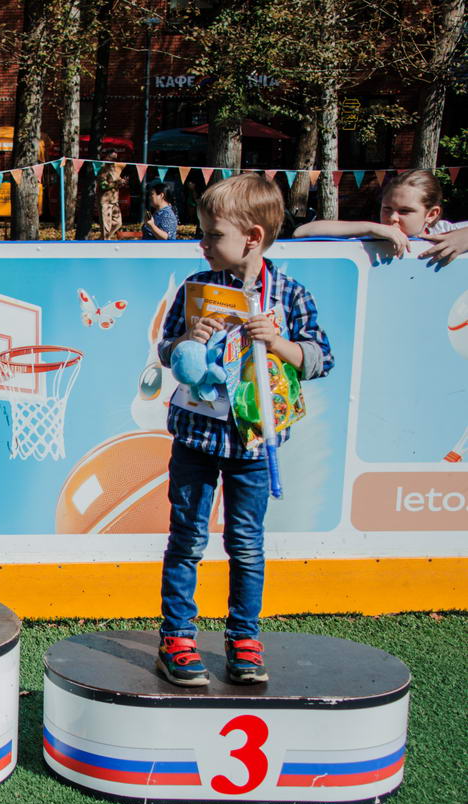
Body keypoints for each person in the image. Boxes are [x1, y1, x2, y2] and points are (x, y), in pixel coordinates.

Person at [155, 173, 333, 687]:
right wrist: (187, 339)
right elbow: (166, 352)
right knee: (187, 539)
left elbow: (320, 359)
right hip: (196, 437)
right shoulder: (196, 288)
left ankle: (244, 639)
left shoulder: (290, 295)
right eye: (202, 233)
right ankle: (177, 638)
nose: (203, 243)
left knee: (247, 544)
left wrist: (278, 343)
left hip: (255, 443)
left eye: (213, 235)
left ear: (252, 238)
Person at [293, 168, 468, 264]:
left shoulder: (446, 232)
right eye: (387, 209)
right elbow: (301, 232)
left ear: (432, 214)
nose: (392, 218)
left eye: (405, 211)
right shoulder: (373, 234)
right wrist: (369, 228)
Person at [97, 151, 124, 240]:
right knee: (106, 228)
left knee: (118, 223)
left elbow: (117, 184)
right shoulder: (103, 170)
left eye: (116, 158)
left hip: (114, 201)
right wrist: (116, 183)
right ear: (106, 158)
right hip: (105, 202)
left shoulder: (116, 170)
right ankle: (105, 241)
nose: (114, 160)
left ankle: (103, 239)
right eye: (112, 158)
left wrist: (122, 182)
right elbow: (103, 186)